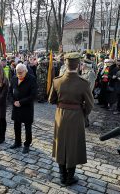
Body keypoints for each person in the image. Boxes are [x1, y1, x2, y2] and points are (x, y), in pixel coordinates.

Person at [48, 52, 94, 186]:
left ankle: (62, 176)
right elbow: (90, 105)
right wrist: (82, 113)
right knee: (74, 145)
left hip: (60, 116)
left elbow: (51, 100)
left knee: (60, 144)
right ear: (78, 65)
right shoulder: (84, 83)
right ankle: (70, 178)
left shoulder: (57, 80)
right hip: (76, 116)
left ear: (66, 64)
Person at [10, 63, 37, 154]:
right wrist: (13, 101)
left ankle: (27, 144)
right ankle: (17, 142)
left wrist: (21, 102)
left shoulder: (32, 79)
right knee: (16, 125)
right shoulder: (14, 78)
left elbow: (33, 95)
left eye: (21, 72)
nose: (19, 74)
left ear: (25, 71)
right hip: (16, 106)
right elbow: (10, 92)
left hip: (26, 107)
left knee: (27, 127)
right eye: (17, 72)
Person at [80, 59, 96, 127]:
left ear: (85, 65)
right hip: (83, 94)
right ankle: (84, 123)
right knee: (82, 110)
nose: (80, 65)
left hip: (86, 95)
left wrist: (85, 96)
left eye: (81, 64)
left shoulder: (90, 73)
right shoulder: (83, 72)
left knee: (85, 110)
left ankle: (85, 124)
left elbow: (91, 86)